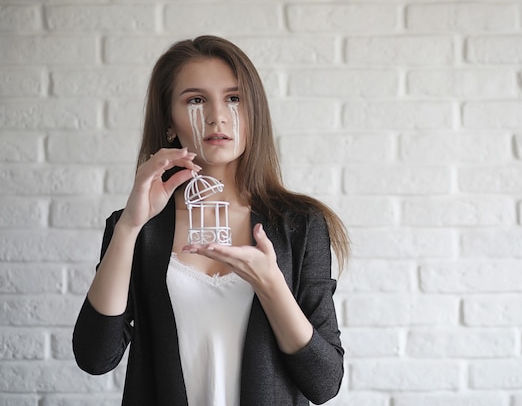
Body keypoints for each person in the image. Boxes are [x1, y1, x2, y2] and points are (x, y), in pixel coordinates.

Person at [73, 35, 350, 406]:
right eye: (196, 100)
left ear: (254, 113)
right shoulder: (139, 229)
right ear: (170, 121)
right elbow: (95, 357)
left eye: (234, 98)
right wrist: (129, 227)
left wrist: (271, 285)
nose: (217, 116)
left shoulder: (299, 225)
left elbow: (325, 382)